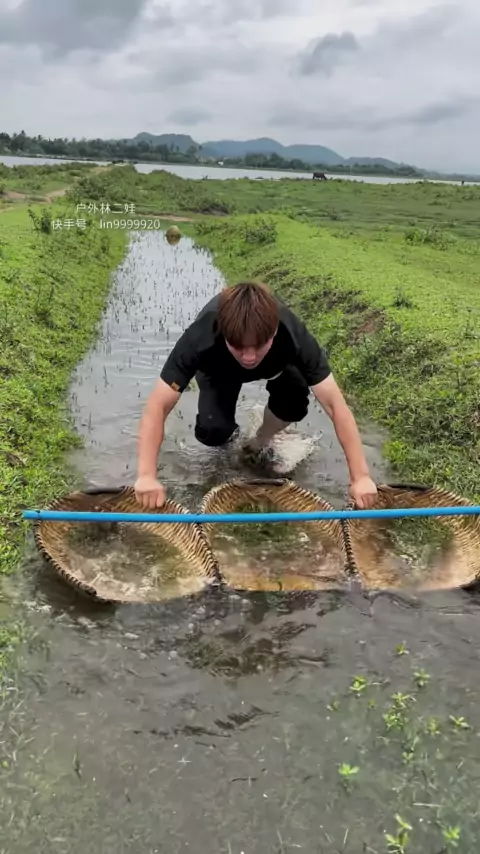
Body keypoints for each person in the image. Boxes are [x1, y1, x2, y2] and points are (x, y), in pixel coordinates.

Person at [134, 280, 378, 510]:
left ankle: (261, 438)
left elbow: (336, 406)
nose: (249, 357)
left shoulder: (293, 334)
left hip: (278, 366)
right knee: (212, 432)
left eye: (258, 345)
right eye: (238, 346)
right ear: (223, 332)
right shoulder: (201, 336)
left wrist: (361, 477)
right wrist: (146, 476)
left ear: (274, 332)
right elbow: (157, 406)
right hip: (218, 370)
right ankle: (229, 437)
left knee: (294, 402)